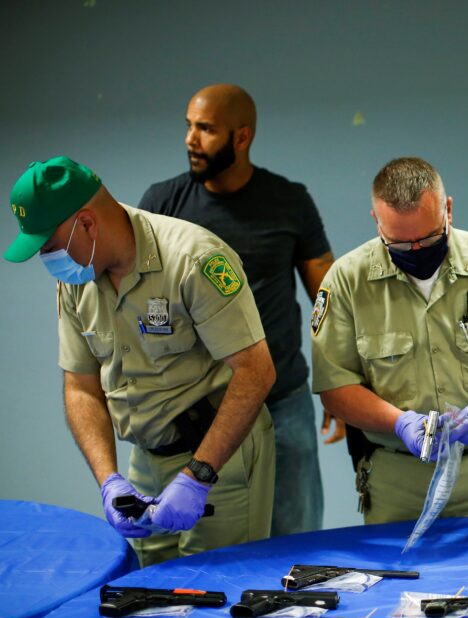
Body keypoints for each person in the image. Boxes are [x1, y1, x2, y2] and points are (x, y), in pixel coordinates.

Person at [5, 156, 276, 566]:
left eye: (49, 247)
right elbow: (80, 386)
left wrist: (199, 473)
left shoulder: (194, 259)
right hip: (147, 458)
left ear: (88, 224)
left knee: (222, 591)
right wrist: (109, 481)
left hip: (219, 454)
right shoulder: (75, 280)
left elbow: (256, 372)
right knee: (152, 596)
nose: (48, 261)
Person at [311, 157, 468, 523]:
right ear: (376, 221)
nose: (415, 250)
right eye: (398, 242)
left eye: (427, 237)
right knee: (397, 578)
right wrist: (398, 422)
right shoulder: (347, 281)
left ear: (448, 209)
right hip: (397, 480)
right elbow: (335, 385)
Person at [139, 84, 339, 536]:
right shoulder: (162, 206)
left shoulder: (288, 200)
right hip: (198, 413)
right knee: (206, 551)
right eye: (189, 126)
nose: (191, 139)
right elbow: (143, 299)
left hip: (282, 403)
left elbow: (327, 301)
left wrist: (338, 383)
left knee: (296, 539)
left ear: (242, 136)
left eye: (206, 129)